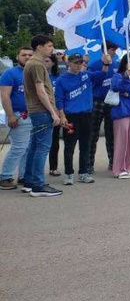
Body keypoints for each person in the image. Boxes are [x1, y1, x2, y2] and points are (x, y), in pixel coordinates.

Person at [21, 34, 63, 196]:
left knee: (34, 147)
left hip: (36, 110)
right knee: (42, 148)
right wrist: (53, 112)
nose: (52, 49)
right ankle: (38, 185)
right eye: (50, 46)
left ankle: (29, 181)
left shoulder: (31, 64)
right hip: (42, 110)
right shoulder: (37, 64)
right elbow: (40, 91)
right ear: (40, 47)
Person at [54, 52, 94, 184]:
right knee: (69, 146)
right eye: (75, 63)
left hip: (86, 114)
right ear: (68, 63)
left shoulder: (86, 75)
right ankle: (69, 174)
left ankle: (83, 172)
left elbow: (103, 74)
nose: (78, 65)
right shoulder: (61, 80)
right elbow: (59, 100)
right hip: (71, 116)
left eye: (81, 62)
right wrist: (62, 116)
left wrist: (106, 63)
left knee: (85, 145)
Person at [0, 46, 34, 190]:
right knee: (18, 148)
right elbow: (5, 95)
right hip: (18, 115)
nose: (27, 57)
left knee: (27, 148)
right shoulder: (10, 73)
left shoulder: (33, 73)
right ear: (17, 57)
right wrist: (11, 115)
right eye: (23, 55)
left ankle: (23, 175)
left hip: (32, 115)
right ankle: (5, 177)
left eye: (29, 55)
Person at [88, 42, 120, 172]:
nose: (115, 52)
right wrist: (104, 66)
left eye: (115, 50)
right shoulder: (94, 65)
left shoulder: (117, 65)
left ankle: (113, 162)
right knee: (93, 133)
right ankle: (89, 164)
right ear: (106, 50)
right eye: (113, 49)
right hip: (97, 101)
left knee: (111, 133)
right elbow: (92, 81)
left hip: (111, 102)